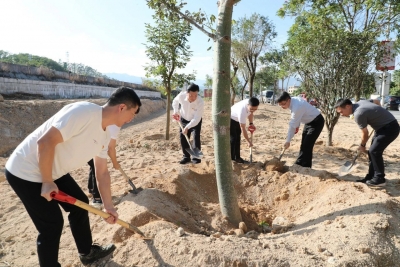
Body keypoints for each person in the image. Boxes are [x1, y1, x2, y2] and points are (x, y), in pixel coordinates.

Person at [4, 86, 142, 266]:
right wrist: (47, 181)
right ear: (122, 107)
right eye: (133, 113)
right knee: (51, 225)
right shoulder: (83, 112)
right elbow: (45, 142)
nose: (132, 119)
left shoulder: (105, 133)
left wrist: (108, 206)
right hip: (25, 171)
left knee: (80, 205)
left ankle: (87, 252)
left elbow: (101, 172)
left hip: (52, 169)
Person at [334, 98, 399, 186]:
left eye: (341, 112)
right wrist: (379, 113)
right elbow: (376, 101)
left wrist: (362, 145)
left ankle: (380, 178)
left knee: (374, 151)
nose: (341, 115)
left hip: (389, 129)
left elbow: (365, 133)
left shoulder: (358, 113)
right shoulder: (361, 102)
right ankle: (370, 176)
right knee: (372, 152)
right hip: (382, 128)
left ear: (348, 106)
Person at [277, 92, 324, 168]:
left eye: (283, 104)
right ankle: (299, 164)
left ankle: (305, 166)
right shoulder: (292, 102)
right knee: (303, 144)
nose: (282, 106)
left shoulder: (297, 106)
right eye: (280, 104)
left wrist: (288, 141)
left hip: (316, 123)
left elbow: (292, 124)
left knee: (307, 145)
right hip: (308, 122)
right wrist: (297, 126)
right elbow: (297, 119)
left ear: (288, 100)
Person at [88, 124, 121, 209]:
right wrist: (115, 163)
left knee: (92, 165)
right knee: (98, 169)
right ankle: (97, 199)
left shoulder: (109, 115)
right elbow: (110, 148)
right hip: (92, 144)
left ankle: (91, 189)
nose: (130, 119)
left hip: (89, 142)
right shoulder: (115, 125)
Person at [172, 83, 204, 164]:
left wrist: (188, 127)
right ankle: (186, 157)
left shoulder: (200, 102)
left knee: (196, 138)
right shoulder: (181, 96)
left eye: (195, 95)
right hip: (183, 119)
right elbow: (175, 101)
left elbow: (197, 118)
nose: (193, 98)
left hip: (195, 121)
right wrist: (175, 111)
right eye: (191, 95)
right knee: (183, 137)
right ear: (187, 93)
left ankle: (196, 158)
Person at [230, 97, 260, 164]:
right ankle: (231, 159)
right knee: (233, 138)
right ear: (247, 105)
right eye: (251, 108)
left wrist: (251, 123)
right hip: (231, 118)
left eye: (255, 109)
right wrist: (248, 141)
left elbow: (251, 113)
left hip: (237, 119)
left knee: (238, 138)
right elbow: (243, 128)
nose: (253, 110)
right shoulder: (242, 111)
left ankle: (237, 158)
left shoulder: (250, 103)